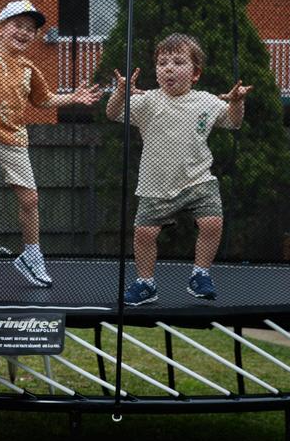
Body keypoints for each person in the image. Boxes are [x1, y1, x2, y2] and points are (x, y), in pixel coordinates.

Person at [0, 0, 102, 287]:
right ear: (0, 29)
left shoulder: (30, 69)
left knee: (30, 199)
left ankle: (31, 254)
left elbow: (44, 100)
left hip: (13, 137)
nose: (25, 33)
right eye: (18, 26)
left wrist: (72, 98)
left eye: (31, 29)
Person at [106, 33, 251, 306]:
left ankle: (200, 274)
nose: (168, 68)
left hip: (198, 180)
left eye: (178, 62)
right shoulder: (148, 101)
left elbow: (233, 122)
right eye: (162, 63)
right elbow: (112, 113)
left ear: (195, 73)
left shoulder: (206, 101)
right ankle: (146, 283)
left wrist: (236, 102)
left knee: (212, 223)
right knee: (145, 234)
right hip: (156, 184)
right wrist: (120, 92)